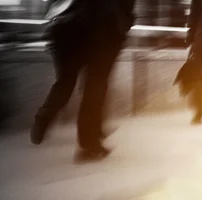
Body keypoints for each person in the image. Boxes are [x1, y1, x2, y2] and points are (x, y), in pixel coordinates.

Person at [30, 0, 135, 162]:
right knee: (95, 85)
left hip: (68, 30)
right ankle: (89, 144)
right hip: (103, 28)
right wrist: (124, 23)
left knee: (65, 82)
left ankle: (44, 117)